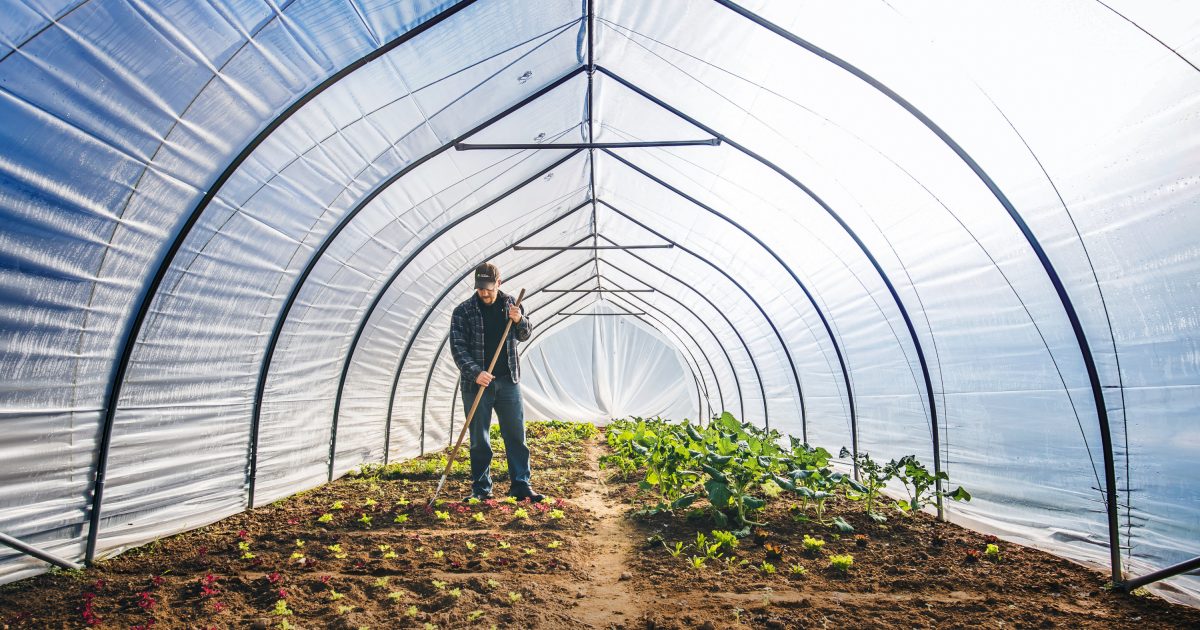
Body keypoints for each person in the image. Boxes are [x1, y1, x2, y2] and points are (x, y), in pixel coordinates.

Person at [449, 262, 542, 503]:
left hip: (508, 381)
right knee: (479, 438)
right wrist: (475, 372)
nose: (484, 292)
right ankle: (481, 488)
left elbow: (525, 334)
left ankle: (521, 485)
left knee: (515, 435)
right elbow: (458, 349)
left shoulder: (512, 304)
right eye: (480, 288)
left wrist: (520, 319)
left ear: (498, 284)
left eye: (489, 287)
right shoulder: (463, 311)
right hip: (477, 384)